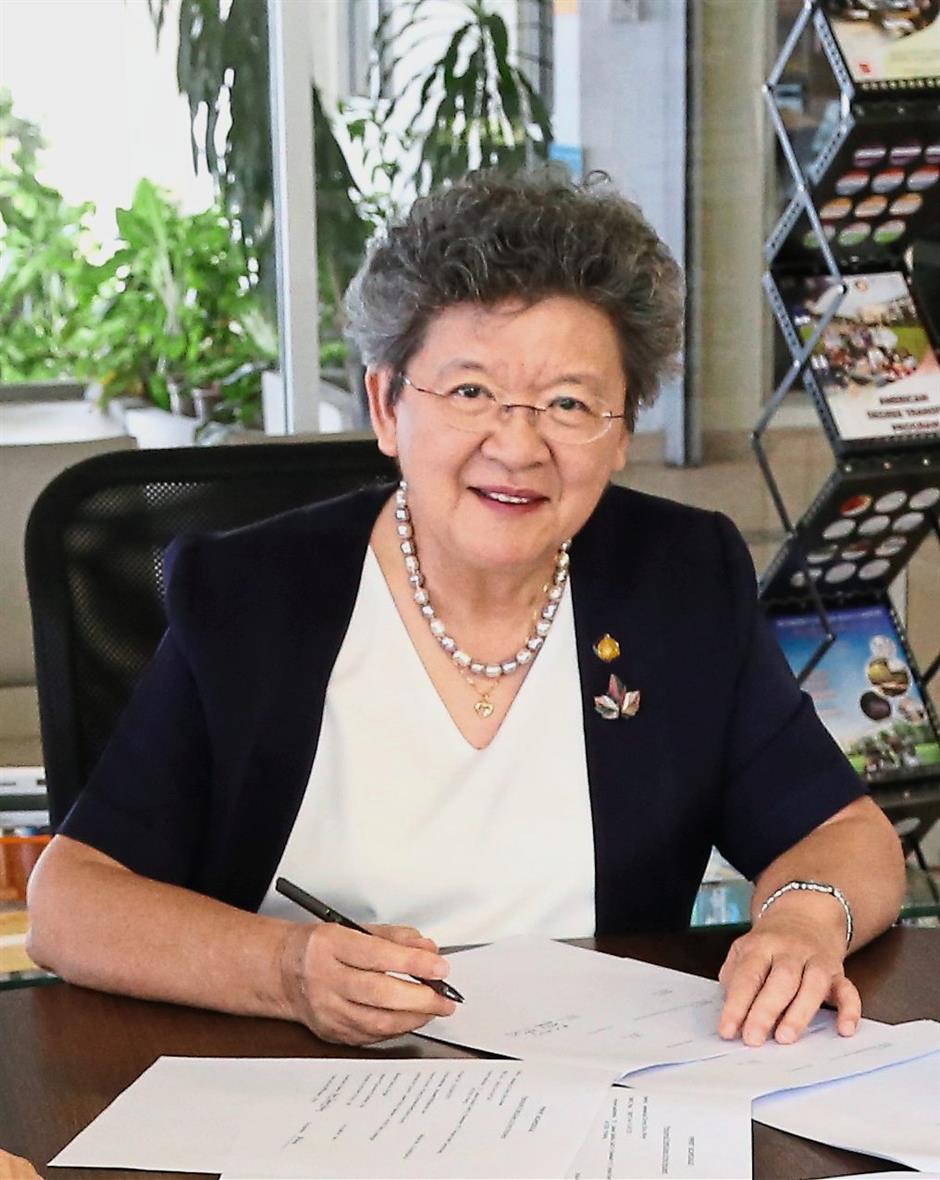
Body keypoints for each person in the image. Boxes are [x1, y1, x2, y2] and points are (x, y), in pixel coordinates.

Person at [27, 171, 905, 1049]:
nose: (517, 446)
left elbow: (844, 831)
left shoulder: (680, 580)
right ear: (387, 405)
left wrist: (804, 920)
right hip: (302, 1080)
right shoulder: (254, 594)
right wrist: (286, 971)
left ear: (622, 432)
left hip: (604, 1084)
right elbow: (71, 901)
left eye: (569, 403)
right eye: (471, 392)